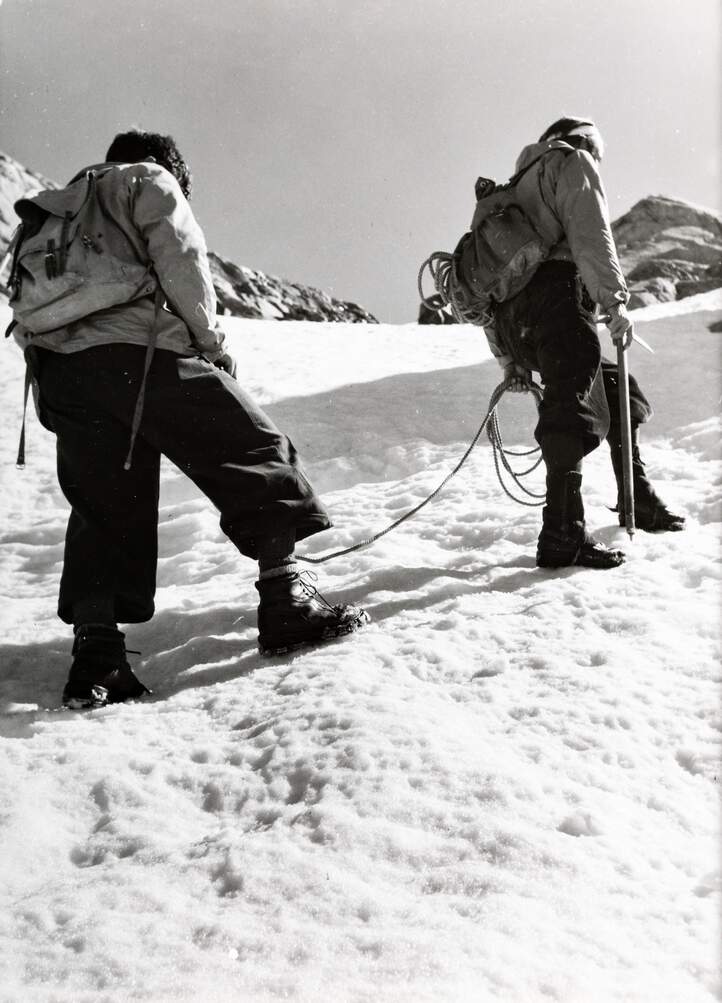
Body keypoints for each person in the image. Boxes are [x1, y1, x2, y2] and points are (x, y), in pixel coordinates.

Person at [11, 130, 369, 708]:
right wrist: (211, 348)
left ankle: (98, 659)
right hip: (142, 351)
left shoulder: (54, 206)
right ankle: (286, 600)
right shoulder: (147, 180)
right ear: (169, 167)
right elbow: (181, 259)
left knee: (103, 502)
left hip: (62, 374)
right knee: (254, 449)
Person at [484, 116, 684, 569]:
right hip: (559, 296)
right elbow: (592, 236)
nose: (599, 160)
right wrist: (614, 304)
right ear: (586, 141)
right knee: (571, 407)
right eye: (600, 151)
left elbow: (490, 279)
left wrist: (508, 359)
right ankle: (562, 533)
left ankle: (640, 498)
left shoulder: (510, 190)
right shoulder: (571, 161)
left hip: (517, 320)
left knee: (615, 388)